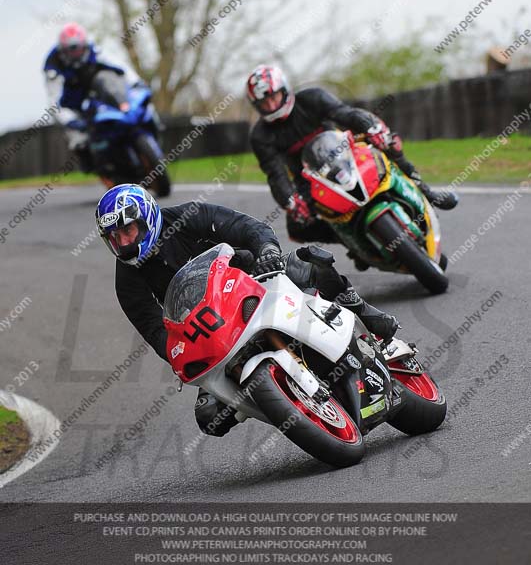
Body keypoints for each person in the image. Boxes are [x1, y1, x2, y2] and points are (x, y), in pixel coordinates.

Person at [95, 184, 399, 437]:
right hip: (214, 329)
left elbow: (247, 227)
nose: (124, 243)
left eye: (128, 231)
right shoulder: (127, 281)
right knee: (210, 417)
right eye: (115, 239)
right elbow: (154, 331)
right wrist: (179, 354)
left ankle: (364, 312)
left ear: (147, 218)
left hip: (256, 278)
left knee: (313, 263)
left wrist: (267, 252)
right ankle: (280, 400)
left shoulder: (189, 215)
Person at [246, 64, 458, 247]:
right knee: (297, 229)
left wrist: (372, 128)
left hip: (345, 152)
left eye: (273, 97)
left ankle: (426, 192)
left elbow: (345, 114)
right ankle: (353, 241)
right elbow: (275, 174)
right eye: (264, 103)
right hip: (309, 179)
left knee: (390, 145)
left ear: (284, 89)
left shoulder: (312, 98)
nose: (272, 106)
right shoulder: (260, 135)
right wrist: (290, 201)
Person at [43, 23, 127, 172]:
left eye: (78, 48)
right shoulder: (53, 66)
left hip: (97, 95)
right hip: (71, 104)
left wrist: (135, 83)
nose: (76, 53)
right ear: (63, 50)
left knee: (108, 80)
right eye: (71, 49)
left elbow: (120, 67)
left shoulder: (95, 50)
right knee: (78, 140)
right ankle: (91, 164)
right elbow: (54, 102)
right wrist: (70, 120)